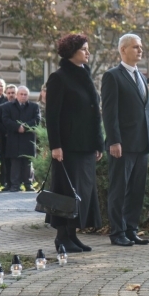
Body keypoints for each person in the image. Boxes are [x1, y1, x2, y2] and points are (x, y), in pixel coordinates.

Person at [46, 34, 104, 253]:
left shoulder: (84, 74)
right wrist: (56, 146)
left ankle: (72, 235)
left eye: (88, 49)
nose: (88, 53)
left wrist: (98, 143)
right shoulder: (59, 78)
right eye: (84, 49)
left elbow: (93, 113)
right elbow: (52, 115)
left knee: (82, 192)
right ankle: (62, 237)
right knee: (66, 191)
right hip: (68, 146)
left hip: (86, 146)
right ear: (71, 52)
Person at [101, 33, 149, 247]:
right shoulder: (112, 76)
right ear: (123, 50)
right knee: (119, 190)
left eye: (140, 47)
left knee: (136, 191)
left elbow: (147, 111)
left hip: (142, 144)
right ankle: (118, 233)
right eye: (135, 47)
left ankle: (131, 230)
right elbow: (110, 113)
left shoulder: (141, 77)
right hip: (122, 145)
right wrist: (114, 141)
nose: (140, 50)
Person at [1, 86, 41, 191]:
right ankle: (15, 185)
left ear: (28, 96)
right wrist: (17, 127)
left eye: (25, 94)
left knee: (27, 162)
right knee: (15, 162)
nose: (23, 96)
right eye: (21, 94)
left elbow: (37, 119)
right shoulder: (8, 106)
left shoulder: (34, 106)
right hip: (14, 137)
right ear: (17, 95)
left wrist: (25, 127)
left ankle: (28, 184)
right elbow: (5, 120)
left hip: (28, 137)